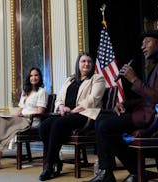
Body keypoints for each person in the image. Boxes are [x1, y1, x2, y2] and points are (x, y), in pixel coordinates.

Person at [88, 30, 158, 182]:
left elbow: (156, 98)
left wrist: (133, 79)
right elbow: (147, 98)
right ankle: (113, 171)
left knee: (106, 126)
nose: (142, 47)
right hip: (147, 114)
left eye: (147, 42)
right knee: (101, 119)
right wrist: (125, 104)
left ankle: (130, 171)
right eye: (142, 44)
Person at [38, 52, 106, 181]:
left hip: (84, 114)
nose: (86, 64)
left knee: (58, 124)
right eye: (83, 61)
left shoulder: (97, 79)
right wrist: (61, 107)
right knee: (44, 126)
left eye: (89, 61)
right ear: (78, 64)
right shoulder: (69, 79)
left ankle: (49, 165)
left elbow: (93, 99)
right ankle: (56, 161)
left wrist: (74, 110)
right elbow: (59, 98)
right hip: (66, 114)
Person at [0, 67, 48, 172]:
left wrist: (25, 115)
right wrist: (15, 115)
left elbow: (40, 112)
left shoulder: (42, 92)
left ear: (40, 77)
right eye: (31, 75)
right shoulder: (26, 92)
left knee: (1, 124)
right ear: (28, 77)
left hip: (31, 121)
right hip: (20, 119)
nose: (33, 78)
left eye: (36, 75)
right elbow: (20, 109)